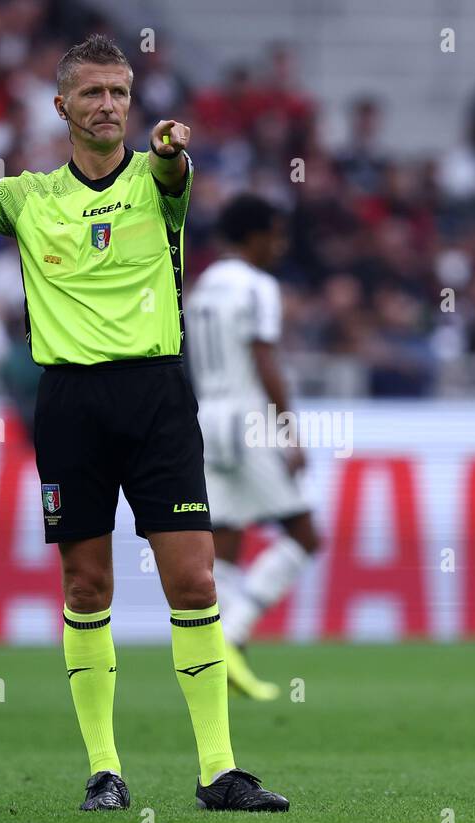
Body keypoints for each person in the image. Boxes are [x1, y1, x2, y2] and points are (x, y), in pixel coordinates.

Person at [0, 34, 288, 813]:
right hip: (70, 404)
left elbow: (173, 167)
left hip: (159, 397)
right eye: (94, 93)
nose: (110, 106)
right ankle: (105, 770)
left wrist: (171, 151)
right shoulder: (26, 197)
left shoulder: (158, 178)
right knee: (86, 582)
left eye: (121, 93)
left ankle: (219, 771)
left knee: (195, 577)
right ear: (60, 104)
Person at [185, 195, 322, 701]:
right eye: (276, 234)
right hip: (247, 419)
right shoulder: (259, 287)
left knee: (226, 543)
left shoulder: (199, 290)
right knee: (305, 535)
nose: (280, 246)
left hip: (207, 418)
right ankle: (233, 636)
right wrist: (288, 430)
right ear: (255, 236)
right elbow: (264, 359)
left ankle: (210, 655)